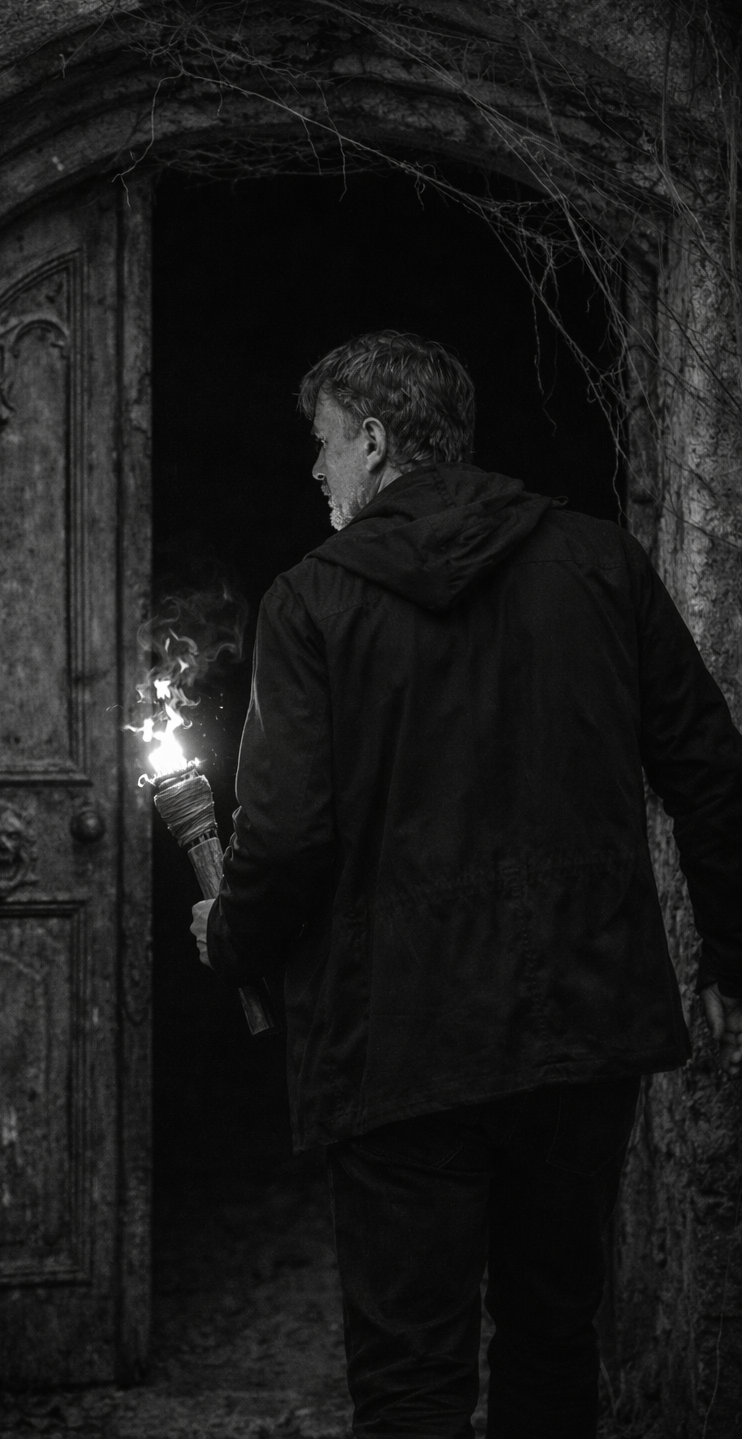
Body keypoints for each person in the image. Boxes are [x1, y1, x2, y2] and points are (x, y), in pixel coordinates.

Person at [188, 330, 742, 1439]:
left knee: (410, 1377)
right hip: (580, 1024)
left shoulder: (311, 602)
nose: (314, 470)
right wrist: (733, 953)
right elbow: (711, 772)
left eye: (323, 444)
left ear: (375, 441)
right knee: (552, 1336)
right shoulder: (600, 563)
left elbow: (286, 840)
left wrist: (229, 936)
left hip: (401, 1043)